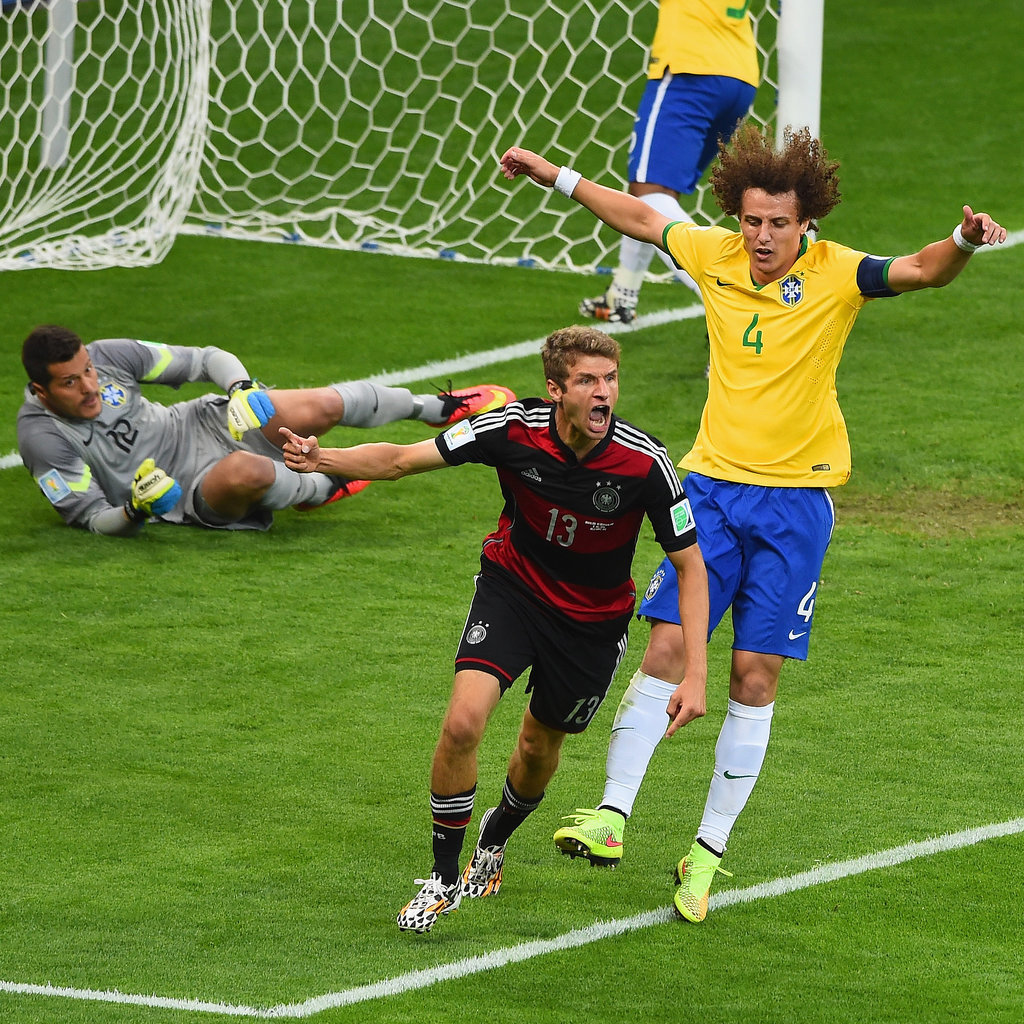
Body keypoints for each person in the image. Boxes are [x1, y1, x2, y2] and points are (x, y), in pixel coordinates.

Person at [499, 126, 1006, 923]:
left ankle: (705, 854)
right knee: (667, 647)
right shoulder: (715, 256)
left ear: (807, 222)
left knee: (752, 677)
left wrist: (962, 241)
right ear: (737, 216)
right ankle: (610, 816)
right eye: (751, 221)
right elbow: (638, 217)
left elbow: (920, 271)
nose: (763, 237)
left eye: (779, 223)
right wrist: (556, 176)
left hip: (797, 503)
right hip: (712, 490)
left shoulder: (839, 273)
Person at [279, 324, 710, 934]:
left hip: (590, 623)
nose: (604, 394)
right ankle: (442, 878)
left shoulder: (646, 463)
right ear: (555, 389)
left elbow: (691, 567)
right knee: (462, 723)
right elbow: (402, 461)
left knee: (538, 748)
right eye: (588, 380)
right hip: (514, 591)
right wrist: (322, 457)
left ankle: (495, 839)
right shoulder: (508, 429)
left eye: (610, 379)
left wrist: (694, 675)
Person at [17, 324, 514, 536]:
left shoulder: (106, 356)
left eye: (87, 371)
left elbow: (206, 359)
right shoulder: (42, 436)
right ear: (41, 390)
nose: (90, 386)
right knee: (245, 470)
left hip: (203, 420)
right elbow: (90, 518)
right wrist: (135, 509)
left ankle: (437, 406)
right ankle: (322, 486)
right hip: (185, 490)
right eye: (70, 382)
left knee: (322, 403)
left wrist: (239, 388)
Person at [580, 0, 760, 324]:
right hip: (740, 75)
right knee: (662, 191)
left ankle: (731, 301)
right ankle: (623, 293)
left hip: (690, 68)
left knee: (649, 190)